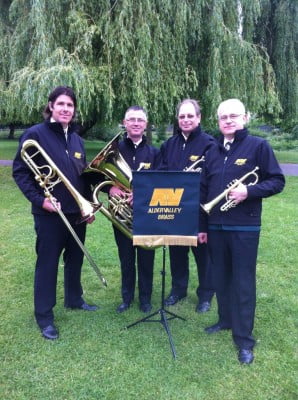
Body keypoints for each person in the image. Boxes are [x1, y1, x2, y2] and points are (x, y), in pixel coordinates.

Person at [199, 98, 285, 364]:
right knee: (220, 277)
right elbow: (203, 191)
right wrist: (203, 227)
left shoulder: (259, 146)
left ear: (245, 118)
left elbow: (277, 181)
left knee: (243, 282)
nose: (228, 121)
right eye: (223, 117)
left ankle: (245, 339)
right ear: (218, 122)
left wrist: (249, 191)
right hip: (215, 226)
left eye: (233, 116)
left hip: (244, 226)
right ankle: (225, 320)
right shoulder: (212, 151)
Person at [12, 86, 98, 341]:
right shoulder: (34, 135)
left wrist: (89, 205)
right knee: (48, 263)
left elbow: (83, 175)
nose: (65, 109)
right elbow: (20, 172)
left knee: (75, 259)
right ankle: (44, 316)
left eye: (70, 105)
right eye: (60, 104)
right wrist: (41, 201)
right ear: (50, 105)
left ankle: (74, 298)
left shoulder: (76, 138)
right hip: (50, 214)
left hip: (76, 212)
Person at [158, 99, 215, 312]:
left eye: (190, 116)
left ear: (198, 118)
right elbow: (161, 177)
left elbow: (213, 181)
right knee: (177, 254)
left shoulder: (210, 144)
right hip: (175, 210)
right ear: (178, 119)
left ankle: (206, 295)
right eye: (182, 116)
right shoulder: (168, 145)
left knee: (203, 256)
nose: (186, 120)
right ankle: (178, 289)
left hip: (199, 211)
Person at [109, 105, 159, 313]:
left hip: (147, 215)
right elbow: (100, 177)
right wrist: (111, 188)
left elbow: (161, 182)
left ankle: (145, 299)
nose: (136, 123)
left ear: (145, 124)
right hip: (121, 215)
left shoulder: (154, 153)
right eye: (132, 120)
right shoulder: (114, 150)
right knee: (126, 259)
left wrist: (142, 195)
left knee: (146, 259)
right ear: (125, 122)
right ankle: (126, 297)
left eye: (140, 120)